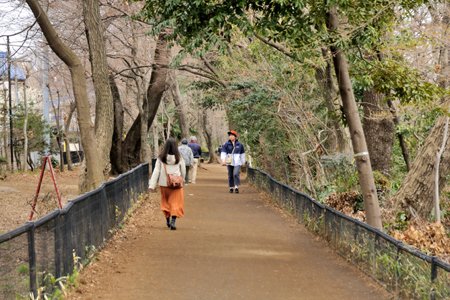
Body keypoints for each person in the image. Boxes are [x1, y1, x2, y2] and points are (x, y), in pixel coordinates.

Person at [148, 138, 186, 230]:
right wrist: (183, 179)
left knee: (165, 202)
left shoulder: (161, 157)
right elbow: (183, 170)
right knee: (176, 203)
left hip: (164, 184)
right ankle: (173, 221)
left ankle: (168, 220)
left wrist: (152, 185)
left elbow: (156, 171)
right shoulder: (179, 157)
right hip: (176, 184)